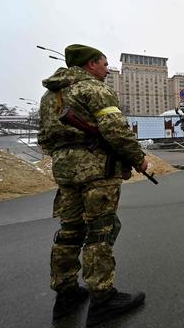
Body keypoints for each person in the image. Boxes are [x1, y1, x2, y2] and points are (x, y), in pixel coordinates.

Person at [38, 44, 148, 325]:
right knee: (101, 230)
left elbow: (44, 140)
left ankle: (66, 293)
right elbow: (116, 130)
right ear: (90, 64)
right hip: (97, 170)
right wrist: (138, 158)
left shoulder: (51, 96)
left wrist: (68, 155)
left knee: (69, 231)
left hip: (64, 171)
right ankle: (103, 298)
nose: (107, 69)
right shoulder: (95, 89)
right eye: (103, 63)